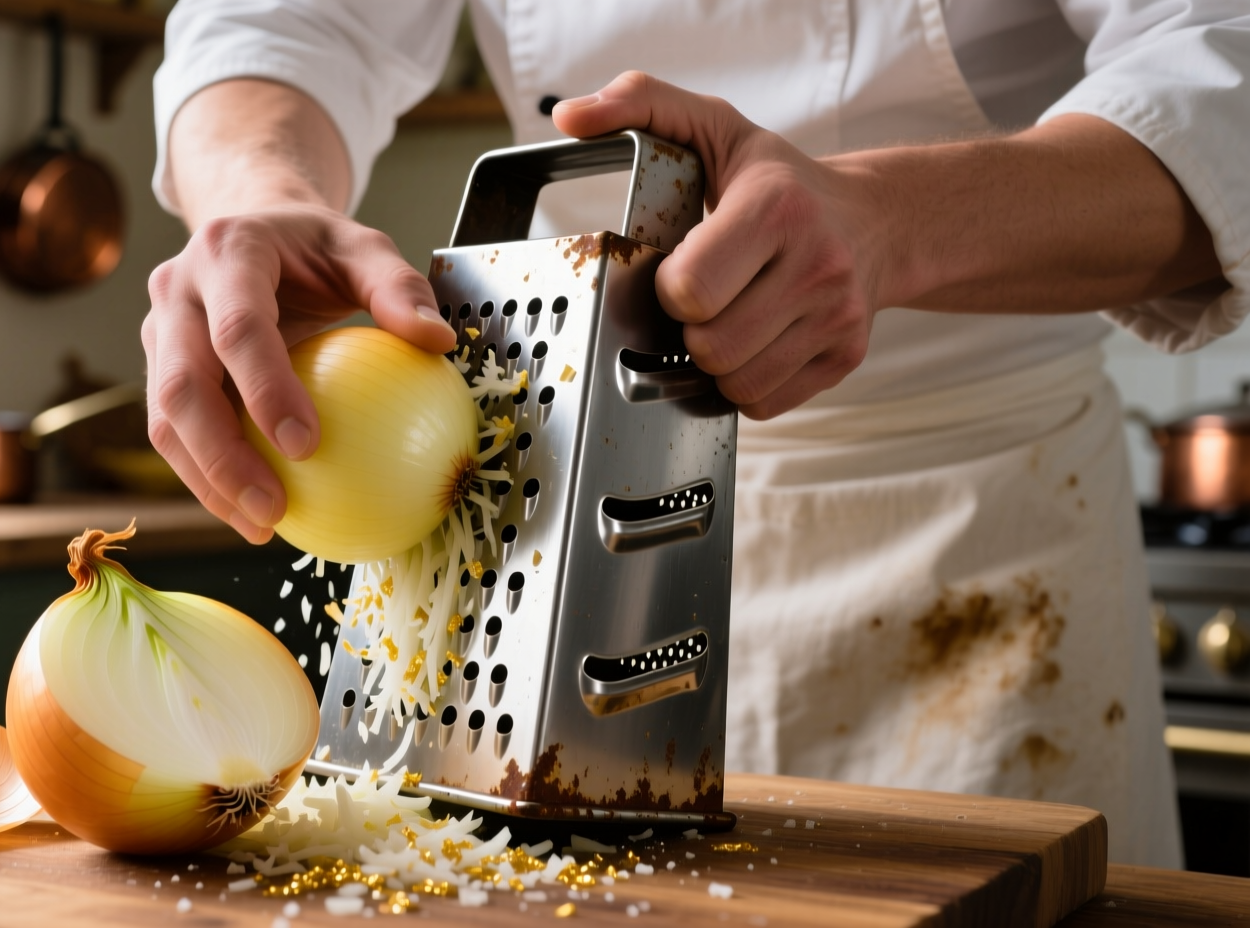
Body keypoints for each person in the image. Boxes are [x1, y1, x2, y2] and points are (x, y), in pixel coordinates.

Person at [140, 1, 1248, 868]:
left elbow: (1220, 68)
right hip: (550, 496)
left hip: (988, 533)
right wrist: (258, 188)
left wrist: (886, 227)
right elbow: (283, 22)